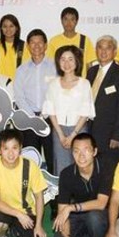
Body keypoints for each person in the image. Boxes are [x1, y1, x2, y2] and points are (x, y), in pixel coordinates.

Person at [0, 129, 49, 237]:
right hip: (3, 209)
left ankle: (16, 231)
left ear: (20, 148)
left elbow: (39, 197)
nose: (10, 153)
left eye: (14, 147)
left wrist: (38, 226)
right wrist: (18, 215)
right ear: (0, 150)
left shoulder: (30, 166)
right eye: (6, 148)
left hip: (26, 211)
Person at [51, 133, 110, 237]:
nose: (81, 156)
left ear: (94, 151)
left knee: (94, 216)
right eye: (76, 151)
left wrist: (72, 208)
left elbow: (101, 203)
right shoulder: (67, 174)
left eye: (86, 150)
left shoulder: (106, 168)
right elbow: (62, 210)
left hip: (102, 213)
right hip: (79, 215)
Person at [43, 45, 95, 174]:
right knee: (61, 167)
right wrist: (60, 134)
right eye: (63, 59)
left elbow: (85, 111)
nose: (66, 63)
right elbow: (50, 110)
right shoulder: (53, 84)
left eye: (70, 59)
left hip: (79, 129)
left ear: (77, 61)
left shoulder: (84, 83)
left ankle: (81, 194)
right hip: (58, 130)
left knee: (81, 164)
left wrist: (73, 135)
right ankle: (62, 194)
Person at [13, 29, 57, 174]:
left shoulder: (55, 67)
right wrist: (33, 117)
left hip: (51, 118)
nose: (36, 46)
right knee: (31, 160)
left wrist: (44, 114)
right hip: (28, 121)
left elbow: (58, 93)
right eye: (33, 43)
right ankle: (32, 193)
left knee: (53, 158)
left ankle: (55, 194)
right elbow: (19, 96)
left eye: (40, 42)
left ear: (45, 45)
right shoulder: (21, 70)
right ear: (28, 46)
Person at [87, 35, 119, 172]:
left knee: (110, 173)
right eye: (100, 47)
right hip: (91, 132)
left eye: (108, 48)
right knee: (94, 170)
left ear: (115, 51)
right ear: (96, 50)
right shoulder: (91, 72)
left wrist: (117, 135)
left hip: (111, 136)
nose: (103, 51)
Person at [0, 14, 30, 78]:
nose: (8, 29)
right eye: (5, 26)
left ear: (17, 28)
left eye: (11, 26)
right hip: (0, 84)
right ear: (1, 28)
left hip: (19, 85)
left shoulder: (24, 46)